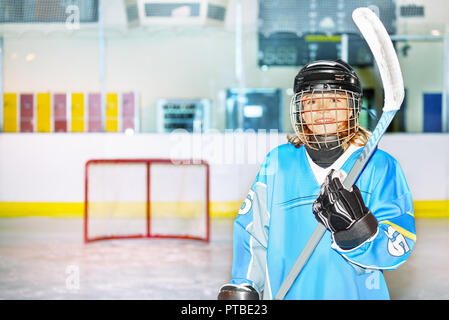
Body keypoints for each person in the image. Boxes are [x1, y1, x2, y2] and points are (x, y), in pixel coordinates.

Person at [217, 60, 416, 300]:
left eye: (334, 100)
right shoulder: (278, 163)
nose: (322, 110)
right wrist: (243, 284)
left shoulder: (379, 165)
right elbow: (252, 231)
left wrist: (359, 231)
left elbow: (399, 243)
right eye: (311, 102)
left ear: (353, 108)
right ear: (300, 111)